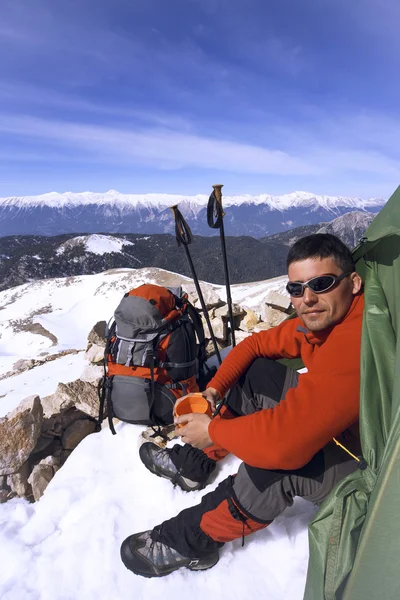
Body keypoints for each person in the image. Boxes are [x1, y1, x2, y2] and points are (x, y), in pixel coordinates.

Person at [120, 233, 364, 578]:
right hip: (349, 428)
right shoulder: (327, 320)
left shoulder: (353, 342)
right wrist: (214, 392)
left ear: (353, 283)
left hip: (373, 474)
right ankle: (195, 465)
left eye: (321, 284)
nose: (307, 299)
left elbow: (282, 446)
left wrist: (213, 429)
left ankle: (190, 540)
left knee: (275, 465)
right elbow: (253, 346)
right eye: (296, 289)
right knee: (256, 374)